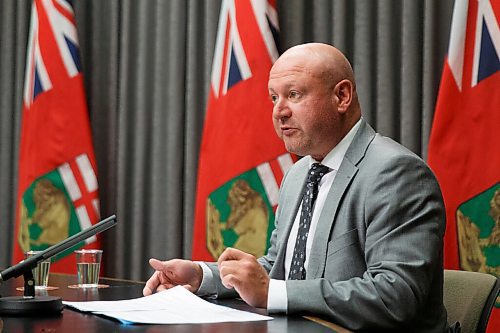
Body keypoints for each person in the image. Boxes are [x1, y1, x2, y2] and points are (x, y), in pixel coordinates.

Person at [144, 43, 449, 332]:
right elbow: (280, 268)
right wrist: (203, 276)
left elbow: (395, 295)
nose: (279, 111)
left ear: (342, 96)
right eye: (274, 98)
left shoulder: (396, 173)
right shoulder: (300, 173)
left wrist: (269, 292)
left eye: (294, 94)